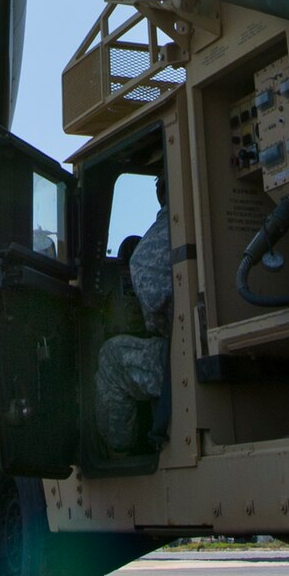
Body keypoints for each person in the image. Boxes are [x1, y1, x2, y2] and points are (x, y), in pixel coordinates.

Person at [96, 178, 172, 453]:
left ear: (162, 192)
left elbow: (157, 317)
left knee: (111, 359)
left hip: (183, 358)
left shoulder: (150, 250)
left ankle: (120, 453)